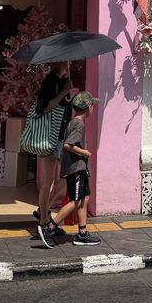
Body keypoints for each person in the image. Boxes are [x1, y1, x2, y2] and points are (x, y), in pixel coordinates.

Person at [39, 91, 101, 247]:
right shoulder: (79, 125)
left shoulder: (73, 122)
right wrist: (85, 153)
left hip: (77, 168)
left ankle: (82, 233)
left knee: (84, 199)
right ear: (88, 107)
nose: (93, 108)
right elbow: (68, 145)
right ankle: (50, 228)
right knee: (76, 201)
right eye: (92, 105)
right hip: (77, 168)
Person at [32, 60, 73, 237]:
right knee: (48, 181)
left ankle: (43, 210)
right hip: (49, 137)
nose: (69, 61)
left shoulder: (62, 80)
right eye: (66, 58)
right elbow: (42, 108)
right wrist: (64, 91)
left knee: (64, 178)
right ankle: (43, 221)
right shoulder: (50, 81)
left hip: (60, 137)